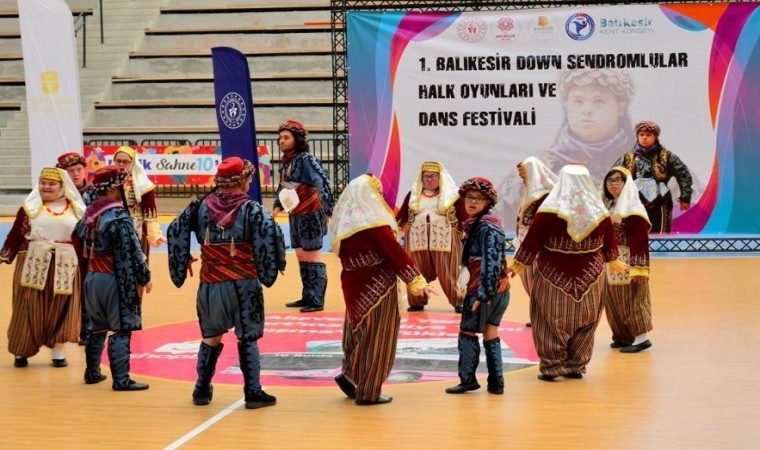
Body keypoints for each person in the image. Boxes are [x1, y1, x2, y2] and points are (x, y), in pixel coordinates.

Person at [167, 157, 286, 409]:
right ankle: (253, 392)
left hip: (211, 284)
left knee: (211, 336)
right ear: (242, 181)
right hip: (244, 284)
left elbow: (175, 230)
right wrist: (276, 263)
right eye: (249, 179)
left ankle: (201, 389)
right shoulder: (253, 210)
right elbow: (271, 235)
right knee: (248, 337)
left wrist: (182, 259)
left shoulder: (199, 207)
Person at [512, 164, 626, 381]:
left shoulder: (547, 212)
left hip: (552, 273)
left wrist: (518, 264)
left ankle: (553, 366)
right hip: (591, 276)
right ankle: (576, 365)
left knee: (549, 319)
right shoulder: (600, 213)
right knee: (587, 320)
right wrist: (614, 261)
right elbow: (610, 245)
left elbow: (532, 242)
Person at [330, 174, 435, 405]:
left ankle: (350, 375)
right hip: (378, 285)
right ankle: (369, 391)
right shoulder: (374, 224)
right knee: (379, 337)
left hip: (353, 284)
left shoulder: (346, 224)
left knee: (357, 330)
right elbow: (394, 253)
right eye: (376, 192)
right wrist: (415, 279)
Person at [497, 68, 636, 225]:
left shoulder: (640, 166)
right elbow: (499, 220)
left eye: (599, 101)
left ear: (620, 107)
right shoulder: (540, 169)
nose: (587, 110)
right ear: (566, 105)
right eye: (578, 101)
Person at [74, 166, 153, 390]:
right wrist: (145, 276)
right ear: (113, 189)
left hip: (92, 277)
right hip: (113, 279)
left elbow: (78, 239)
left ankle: (92, 372)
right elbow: (133, 251)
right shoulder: (119, 217)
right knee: (121, 328)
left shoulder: (88, 215)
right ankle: (121, 379)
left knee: (96, 326)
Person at [1, 167, 85, 368]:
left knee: (62, 308)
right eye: (43, 183)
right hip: (33, 262)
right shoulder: (30, 208)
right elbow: (15, 234)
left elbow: (83, 238)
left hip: (66, 264)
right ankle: (21, 350)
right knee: (27, 307)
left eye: (51, 184)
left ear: (62, 187)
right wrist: (4, 255)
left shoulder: (76, 209)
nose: (46, 187)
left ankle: (58, 352)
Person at [445, 177, 510, 396]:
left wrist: (484, 294)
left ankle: (468, 380)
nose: (472, 202)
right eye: (469, 197)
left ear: (487, 202)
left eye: (478, 198)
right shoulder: (484, 224)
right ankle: (496, 383)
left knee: (467, 332)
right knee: (490, 333)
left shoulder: (486, 227)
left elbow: (491, 261)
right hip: (496, 288)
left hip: (483, 289)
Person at [272, 120, 334, 313]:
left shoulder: (307, 159)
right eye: (280, 138)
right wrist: (277, 206)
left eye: (286, 137)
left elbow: (322, 181)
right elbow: (284, 187)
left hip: (310, 215)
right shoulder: (286, 162)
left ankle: (317, 300)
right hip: (295, 215)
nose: (281, 141)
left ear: (297, 139)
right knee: (301, 255)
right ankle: (307, 295)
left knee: (312, 257)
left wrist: (328, 208)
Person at [395, 161, 467, 313]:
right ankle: (416, 301)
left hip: (445, 238)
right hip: (416, 238)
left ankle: (458, 301)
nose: (429, 179)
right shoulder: (413, 195)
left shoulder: (453, 195)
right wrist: (392, 230)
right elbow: (401, 217)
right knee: (416, 270)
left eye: (433, 176)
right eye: (426, 176)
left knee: (449, 271)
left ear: (440, 178)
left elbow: (465, 217)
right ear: (421, 178)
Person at [601, 167, 654, 353]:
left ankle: (641, 338)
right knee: (614, 301)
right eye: (610, 180)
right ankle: (623, 336)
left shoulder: (634, 210)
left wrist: (639, 268)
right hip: (611, 262)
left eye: (618, 180)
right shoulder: (608, 206)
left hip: (629, 260)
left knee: (634, 299)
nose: (613, 183)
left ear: (626, 183)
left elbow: (640, 240)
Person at [614, 120, 693, 233]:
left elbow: (683, 175)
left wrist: (685, 197)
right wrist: (614, 198)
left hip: (660, 202)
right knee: (634, 234)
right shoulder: (627, 158)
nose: (644, 137)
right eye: (641, 135)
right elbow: (614, 176)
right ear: (637, 136)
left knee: (660, 235)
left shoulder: (666, 156)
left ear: (655, 137)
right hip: (634, 202)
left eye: (648, 135)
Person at [514, 157, 558, 327]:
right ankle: (539, 315)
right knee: (529, 281)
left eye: (524, 174)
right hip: (524, 243)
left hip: (539, 247)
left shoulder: (547, 195)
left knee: (539, 282)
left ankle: (547, 318)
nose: (522, 178)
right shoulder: (529, 192)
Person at [57, 151, 95, 345]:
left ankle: (86, 330)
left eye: (79, 169)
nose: (76, 174)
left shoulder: (94, 192)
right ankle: (59, 331)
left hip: (87, 249)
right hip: (62, 249)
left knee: (86, 288)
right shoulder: (57, 194)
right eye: (71, 171)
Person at [112, 146, 166, 256]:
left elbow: (150, 216)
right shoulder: (108, 183)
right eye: (118, 161)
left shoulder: (143, 185)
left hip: (137, 231)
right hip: (113, 231)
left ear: (132, 163)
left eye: (125, 162)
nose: (121, 164)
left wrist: (155, 234)